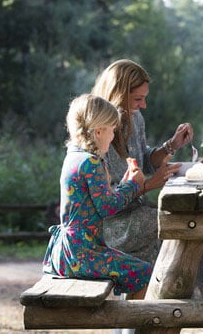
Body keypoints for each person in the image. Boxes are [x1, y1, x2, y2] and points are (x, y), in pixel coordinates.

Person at [91, 59, 203, 298]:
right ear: (118, 94)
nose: (144, 105)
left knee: (183, 222)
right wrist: (150, 185)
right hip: (113, 225)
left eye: (144, 98)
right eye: (138, 99)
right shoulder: (99, 131)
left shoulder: (134, 118)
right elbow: (107, 201)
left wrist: (172, 145)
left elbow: (145, 159)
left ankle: (201, 294)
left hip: (137, 213)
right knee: (182, 224)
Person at [43, 94, 151, 299]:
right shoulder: (92, 163)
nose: (113, 137)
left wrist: (123, 185)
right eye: (112, 130)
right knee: (144, 272)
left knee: (134, 269)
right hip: (82, 255)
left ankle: (126, 328)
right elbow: (107, 207)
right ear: (99, 131)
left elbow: (100, 200)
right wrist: (132, 186)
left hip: (65, 252)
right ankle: (130, 327)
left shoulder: (73, 157)